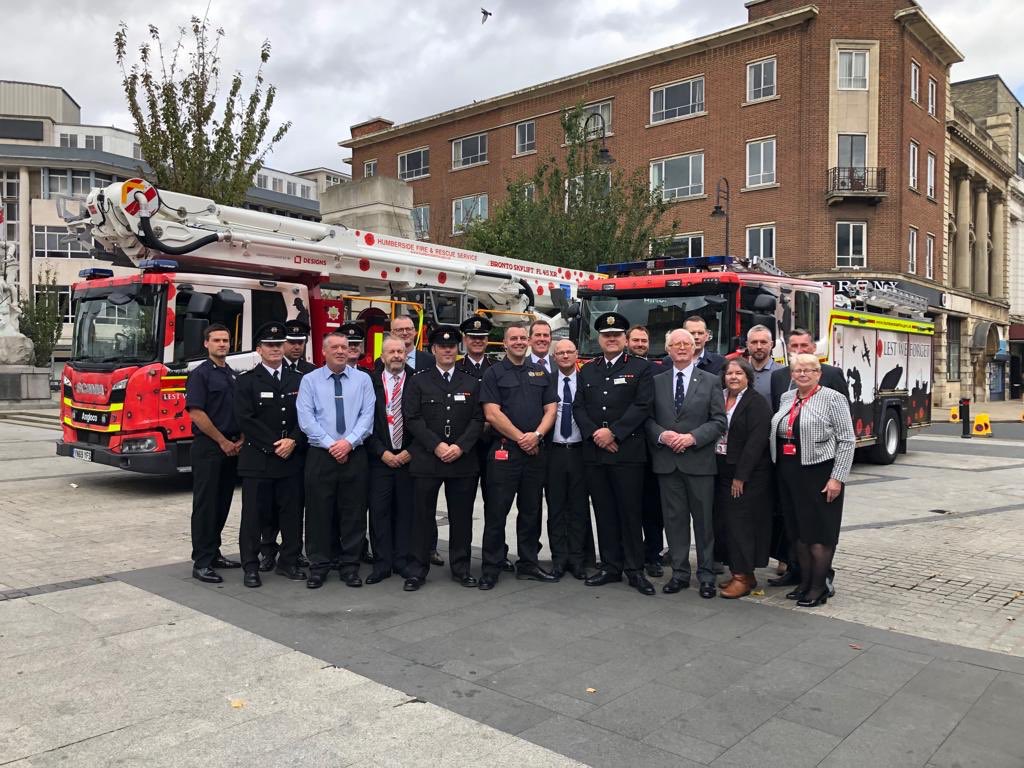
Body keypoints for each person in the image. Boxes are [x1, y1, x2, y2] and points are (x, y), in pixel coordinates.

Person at [575, 313, 656, 596]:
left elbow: (643, 405)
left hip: (627, 452)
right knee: (604, 512)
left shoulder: (640, 368)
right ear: (599, 339)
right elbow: (578, 407)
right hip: (596, 454)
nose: (611, 339)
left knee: (630, 512)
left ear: (624, 339)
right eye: (607, 335)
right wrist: (596, 434)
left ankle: (635, 569)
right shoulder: (587, 370)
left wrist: (615, 433)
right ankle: (610, 565)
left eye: (617, 335)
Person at [646, 327, 727, 598]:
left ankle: (705, 576)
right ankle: (680, 573)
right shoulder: (657, 381)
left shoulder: (711, 380)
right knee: (674, 522)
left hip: (699, 462)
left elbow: (719, 421)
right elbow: (647, 420)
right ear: (667, 350)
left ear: (695, 348)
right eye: (675, 344)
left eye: (686, 343)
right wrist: (662, 435)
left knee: (704, 523)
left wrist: (692, 438)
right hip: (668, 464)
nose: (681, 348)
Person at [768, 327, 850, 591]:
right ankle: (804, 583)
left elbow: (847, 440)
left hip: (820, 471)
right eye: (798, 370)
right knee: (798, 532)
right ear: (792, 373)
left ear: (819, 373)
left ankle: (819, 586)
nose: (803, 374)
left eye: (809, 370)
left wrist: (837, 478)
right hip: (789, 471)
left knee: (820, 533)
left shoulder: (832, 397)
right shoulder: (786, 397)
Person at [402, 325, 484, 591]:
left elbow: (477, 419)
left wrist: (460, 447)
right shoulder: (419, 380)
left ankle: (461, 568)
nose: (448, 350)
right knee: (421, 517)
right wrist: (436, 445)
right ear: (433, 349)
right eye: (442, 346)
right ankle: (417, 569)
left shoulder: (471, 380)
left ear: (458, 349)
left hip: (462, 459)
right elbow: (412, 418)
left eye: (452, 346)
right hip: (428, 458)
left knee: (461, 517)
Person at [478, 324, 558, 589]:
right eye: (514, 338)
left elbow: (551, 410)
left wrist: (535, 436)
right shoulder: (494, 373)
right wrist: (521, 438)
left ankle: (528, 563)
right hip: (505, 452)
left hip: (535, 452)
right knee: (497, 511)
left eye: (523, 338)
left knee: (531, 511)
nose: (519, 342)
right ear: (505, 343)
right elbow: (492, 414)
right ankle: (491, 566)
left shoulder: (541, 372)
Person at [297, 331, 375, 589]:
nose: (342, 351)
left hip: (354, 453)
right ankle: (319, 566)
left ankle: (349, 566)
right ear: (324, 352)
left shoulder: (362, 380)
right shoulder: (309, 381)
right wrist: (333, 445)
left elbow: (367, 416)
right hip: (321, 455)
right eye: (336, 347)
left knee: (353, 513)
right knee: (319, 512)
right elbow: (306, 419)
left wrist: (348, 443)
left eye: (346, 346)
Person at [234, 322, 308, 588]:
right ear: (259, 349)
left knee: (291, 515)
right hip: (259, 460)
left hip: (291, 459)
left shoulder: (299, 379)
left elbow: (308, 416)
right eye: (270, 345)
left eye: (279, 345)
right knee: (254, 517)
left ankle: (288, 562)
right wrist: (276, 444)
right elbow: (245, 419)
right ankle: (251, 566)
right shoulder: (246, 381)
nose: (275, 349)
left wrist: (294, 441)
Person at [457, 315, 516, 575]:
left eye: (482, 338)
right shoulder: (455, 369)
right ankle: (462, 557)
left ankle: (497, 554)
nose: (478, 341)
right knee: (462, 506)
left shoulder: (498, 368)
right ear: (465, 340)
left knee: (496, 505)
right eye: (473, 338)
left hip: (494, 446)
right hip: (466, 448)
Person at [186, 323, 243, 584]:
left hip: (231, 448)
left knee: (222, 504)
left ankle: (214, 551)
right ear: (206, 344)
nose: (222, 344)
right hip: (210, 448)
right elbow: (196, 413)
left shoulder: (231, 373)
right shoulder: (201, 375)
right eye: (216, 340)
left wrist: (240, 439)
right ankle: (202, 561)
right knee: (206, 506)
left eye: (226, 340)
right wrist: (221, 441)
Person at [713, 358, 773, 599]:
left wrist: (741, 477)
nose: (734, 377)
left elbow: (756, 443)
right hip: (721, 468)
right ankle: (742, 573)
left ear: (748, 377)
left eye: (739, 373)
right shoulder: (719, 397)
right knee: (726, 523)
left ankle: (743, 576)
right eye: (730, 373)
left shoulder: (756, 403)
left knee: (741, 525)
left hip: (746, 474)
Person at [260, 319, 315, 573]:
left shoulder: (311, 372)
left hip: (299, 449)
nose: (295, 347)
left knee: (296, 505)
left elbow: (312, 414)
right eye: (290, 342)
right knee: (268, 506)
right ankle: (267, 550)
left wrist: (294, 439)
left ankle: (293, 551)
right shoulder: (261, 372)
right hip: (269, 449)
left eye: (299, 342)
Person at [364, 337, 416, 585]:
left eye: (400, 351)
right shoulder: (369, 382)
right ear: (382, 356)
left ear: (406, 354)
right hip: (379, 458)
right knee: (379, 512)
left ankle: (402, 560)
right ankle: (382, 563)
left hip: (408, 458)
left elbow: (427, 420)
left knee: (406, 512)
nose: (396, 355)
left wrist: (412, 451)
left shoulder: (418, 380)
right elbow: (364, 421)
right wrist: (381, 452)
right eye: (391, 352)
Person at [544, 339, 590, 580]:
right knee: (556, 508)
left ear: (576, 354)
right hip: (554, 451)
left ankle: (578, 559)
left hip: (580, 451)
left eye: (569, 352)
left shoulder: (587, 380)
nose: (564, 356)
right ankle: (559, 559)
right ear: (554, 357)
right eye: (559, 353)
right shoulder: (546, 381)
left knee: (579, 508)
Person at [628, 325, 666, 576]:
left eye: (644, 340)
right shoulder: (618, 368)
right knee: (629, 505)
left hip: (653, 448)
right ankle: (629, 554)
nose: (640, 344)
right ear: (627, 342)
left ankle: (653, 555)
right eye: (636, 340)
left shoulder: (659, 370)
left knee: (653, 507)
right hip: (627, 446)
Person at [745, 324, 778, 403]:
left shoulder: (783, 373)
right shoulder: (739, 372)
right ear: (747, 345)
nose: (759, 346)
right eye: (754, 342)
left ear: (771, 344)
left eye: (763, 342)